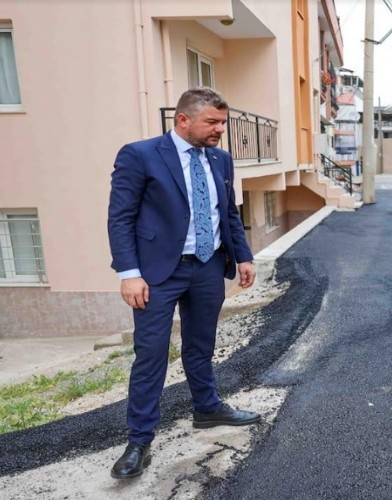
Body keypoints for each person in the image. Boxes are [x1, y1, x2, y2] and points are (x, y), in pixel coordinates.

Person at [107, 88, 259, 479]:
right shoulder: (140, 155)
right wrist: (129, 274)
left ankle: (207, 409)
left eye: (222, 122)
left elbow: (228, 212)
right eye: (212, 122)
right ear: (183, 120)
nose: (220, 130)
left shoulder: (221, 160)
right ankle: (139, 441)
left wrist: (243, 256)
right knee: (152, 353)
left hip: (209, 267)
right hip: (157, 273)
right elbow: (120, 218)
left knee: (200, 345)